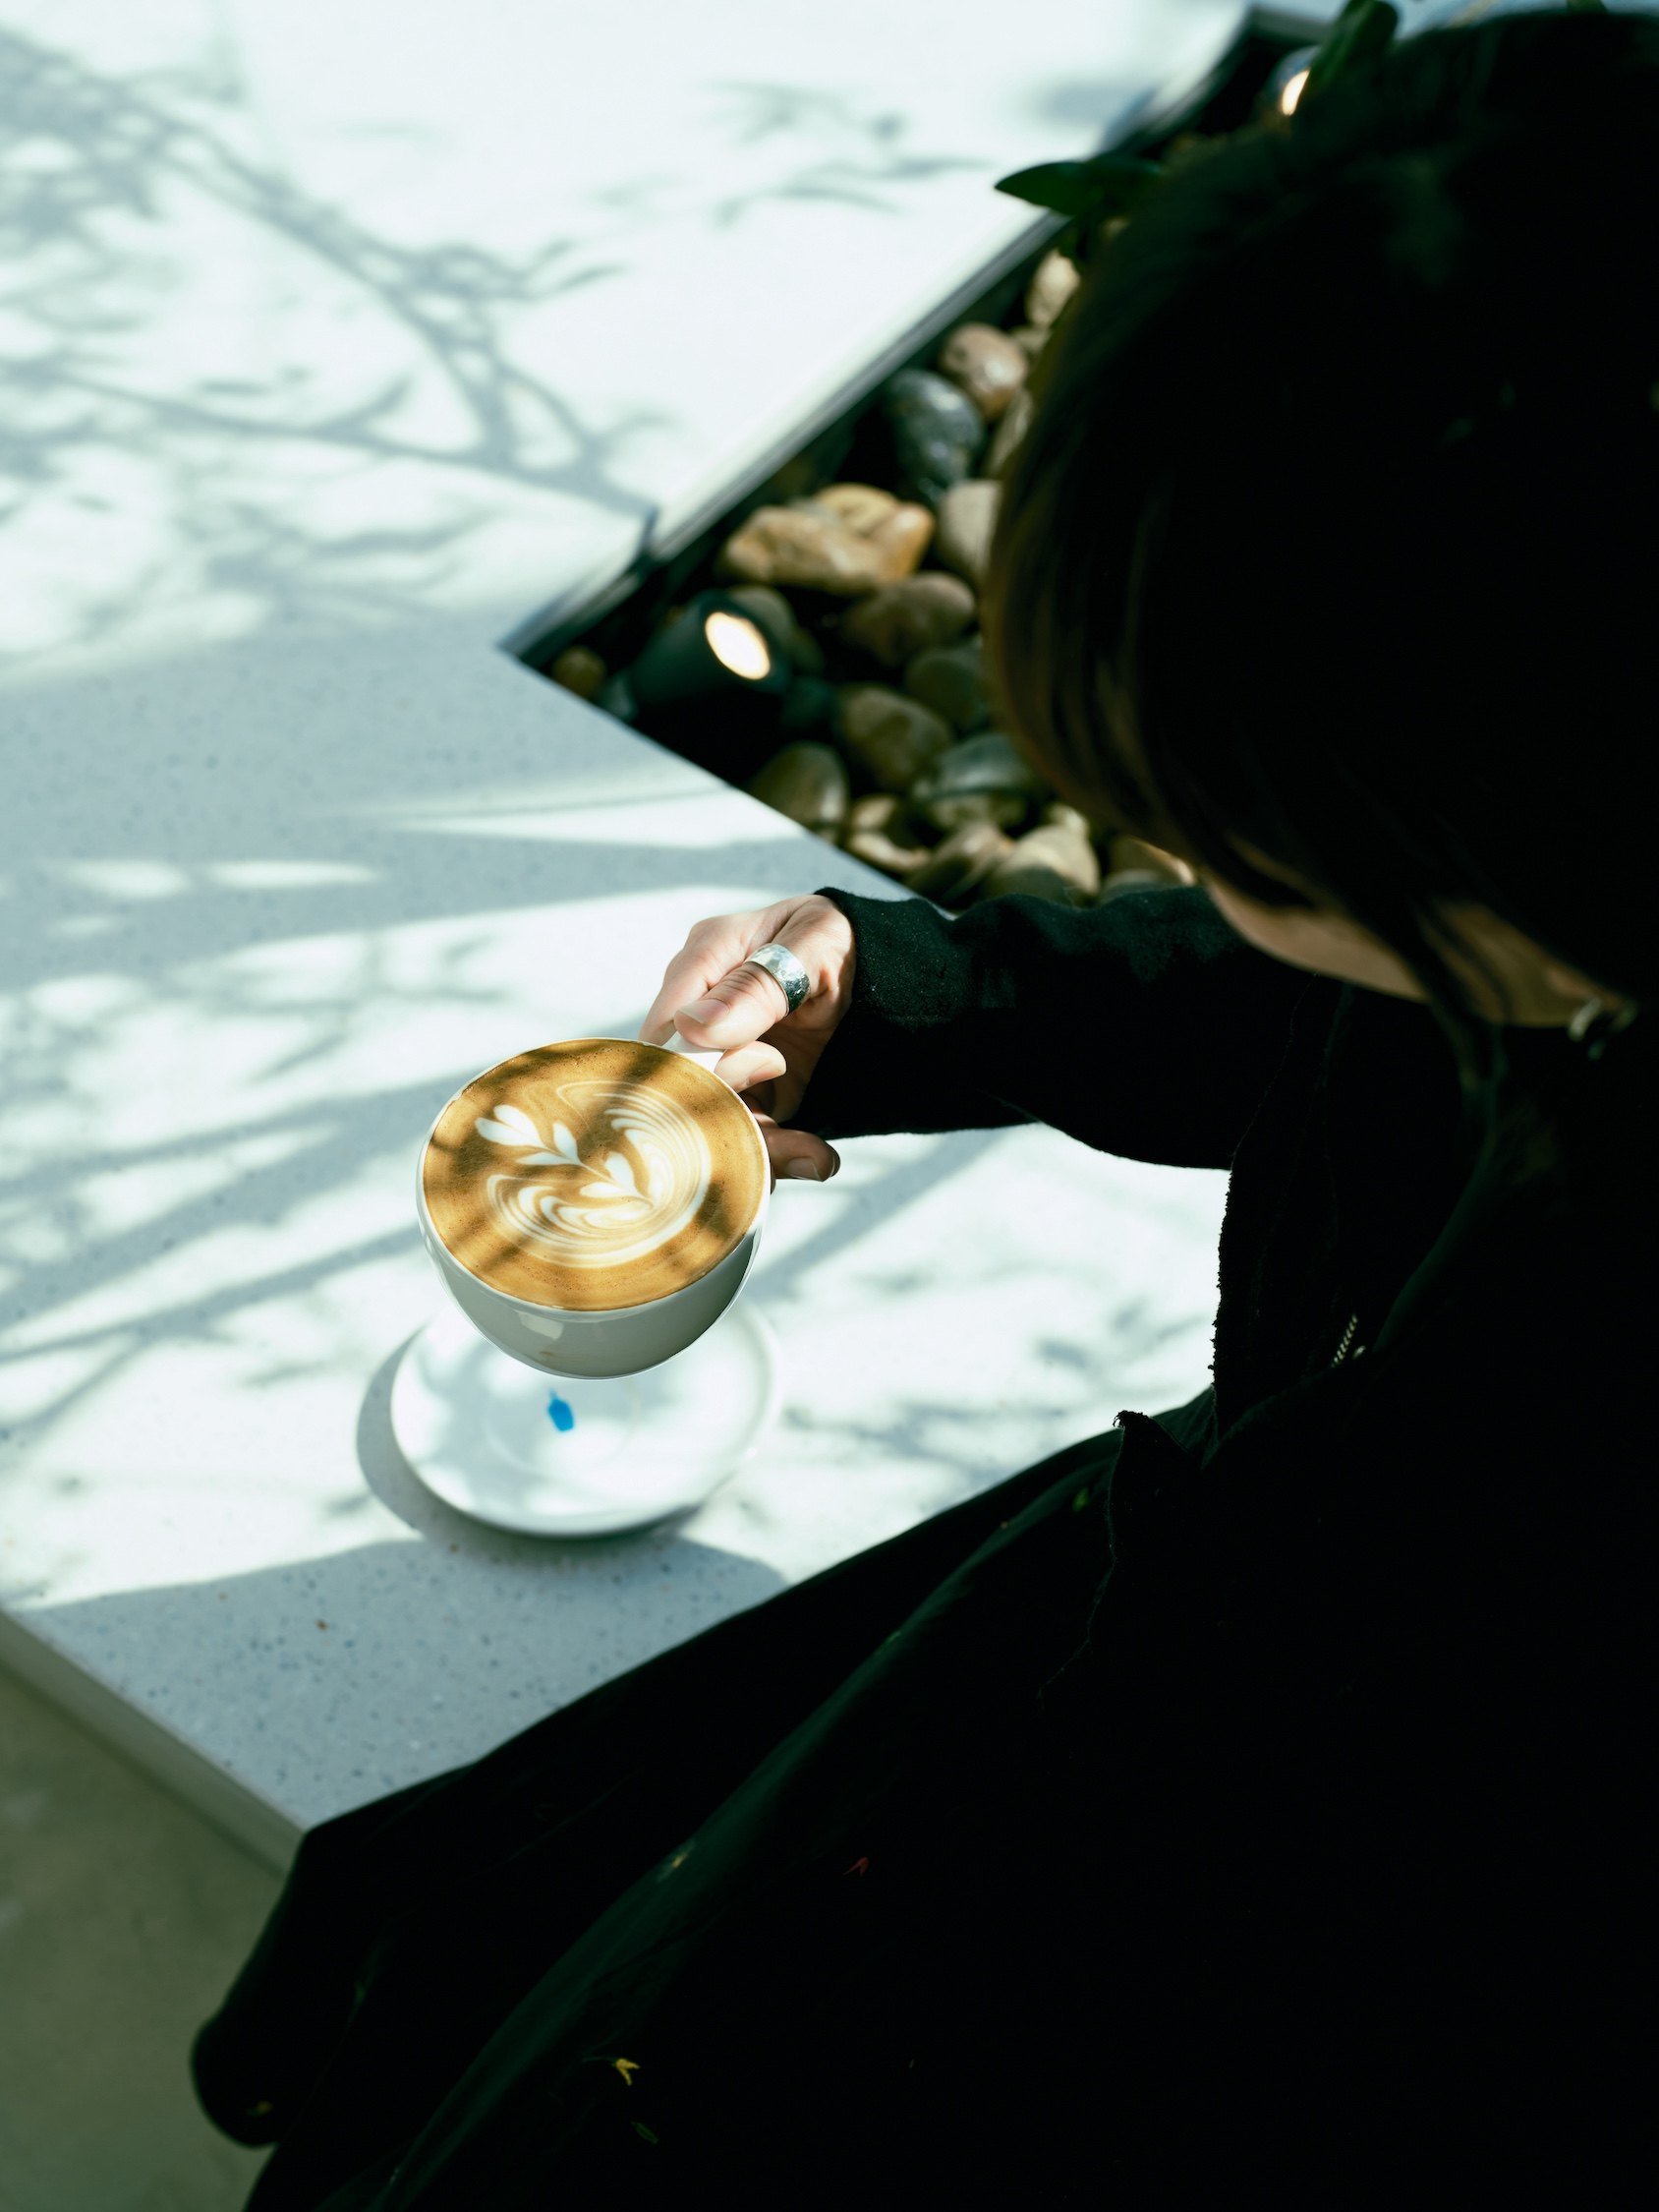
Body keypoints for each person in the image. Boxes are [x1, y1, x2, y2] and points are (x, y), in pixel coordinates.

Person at [193, 11, 1655, 2201]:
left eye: (1240, 842)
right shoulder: (1557, 943)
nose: (1205, 886)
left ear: (1514, 849)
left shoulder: (1517, 1534)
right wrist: (912, 980)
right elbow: (1342, 1022)